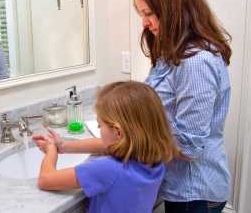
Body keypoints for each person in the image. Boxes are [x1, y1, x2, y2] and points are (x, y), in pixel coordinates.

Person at [131, 0, 232, 213]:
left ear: (175, 10)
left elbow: (188, 146)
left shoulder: (196, 62)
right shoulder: (172, 53)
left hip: (193, 191)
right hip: (181, 187)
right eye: (141, 14)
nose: (145, 23)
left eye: (150, 13)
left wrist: (136, 135)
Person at [33, 81, 180, 213]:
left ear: (118, 132)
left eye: (100, 125)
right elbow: (105, 145)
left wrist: (51, 150)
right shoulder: (155, 160)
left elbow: (45, 179)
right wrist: (65, 146)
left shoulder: (108, 169)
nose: (98, 128)